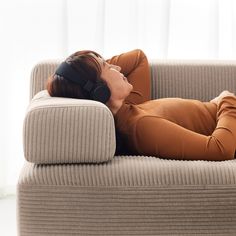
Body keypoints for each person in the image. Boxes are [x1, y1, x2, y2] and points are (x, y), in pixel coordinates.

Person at [47, 49, 236, 161]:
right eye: (107, 67)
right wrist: (227, 101)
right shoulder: (140, 127)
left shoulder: (130, 105)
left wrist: (87, 71)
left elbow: (138, 58)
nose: (118, 67)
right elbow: (219, 149)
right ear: (99, 91)